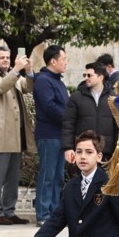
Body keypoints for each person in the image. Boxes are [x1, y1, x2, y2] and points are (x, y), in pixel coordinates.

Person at [0, 43, 34, 225]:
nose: (5, 60)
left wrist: (28, 72)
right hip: (0, 135)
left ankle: (9, 210)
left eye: (7, 57)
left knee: (13, 177)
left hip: (17, 135)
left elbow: (28, 87)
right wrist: (16, 70)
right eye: (1, 58)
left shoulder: (14, 76)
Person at [31, 45, 71, 226]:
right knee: (48, 175)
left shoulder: (59, 81)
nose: (66, 63)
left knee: (58, 176)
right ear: (53, 61)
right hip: (48, 134)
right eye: (63, 59)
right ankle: (43, 212)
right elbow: (49, 106)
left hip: (60, 134)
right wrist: (69, 118)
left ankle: (54, 211)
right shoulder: (43, 80)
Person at [64, 61, 119, 162]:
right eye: (85, 75)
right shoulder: (76, 97)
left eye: (89, 75)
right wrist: (68, 147)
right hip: (83, 152)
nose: (86, 78)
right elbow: (68, 124)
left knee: (104, 178)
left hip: (106, 152)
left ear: (100, 77)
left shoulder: (113, 98)